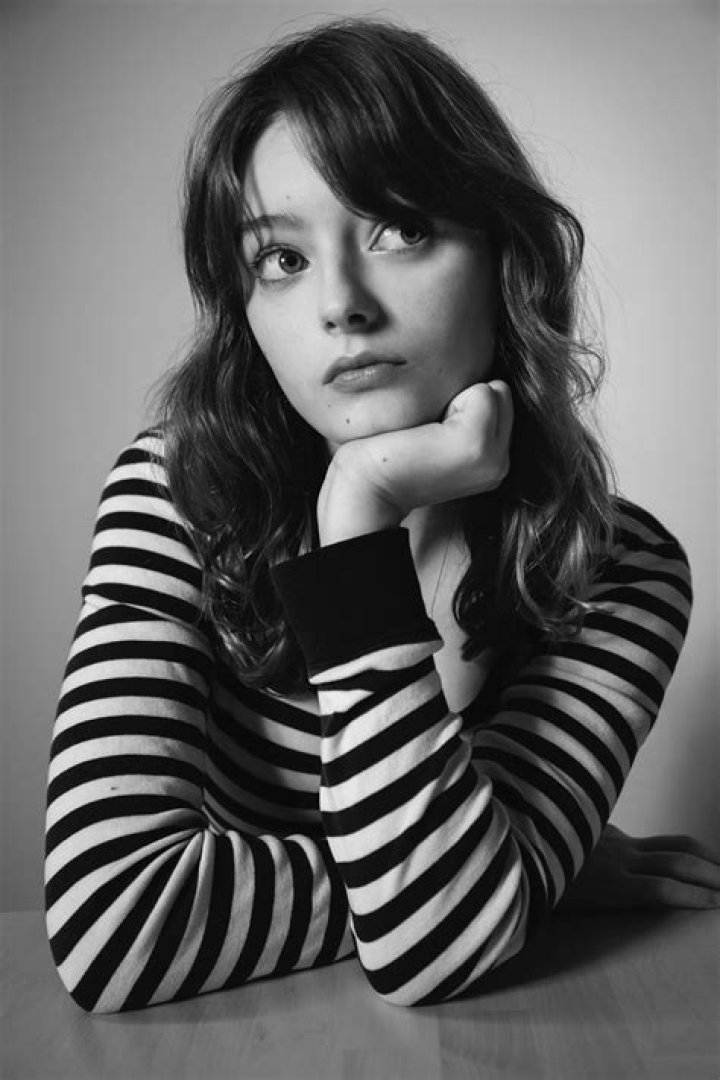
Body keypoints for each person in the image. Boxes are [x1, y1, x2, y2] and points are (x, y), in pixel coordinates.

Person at [44, 16, 719, 1014]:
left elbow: (434, 955)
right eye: (282, 259)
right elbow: (113, 927)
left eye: (401, 229)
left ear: (505, 258)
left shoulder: (618, 568)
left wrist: (358, 517)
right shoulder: (176, 494)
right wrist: (504, 874)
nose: (342, 305)